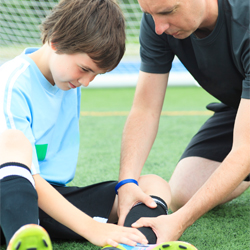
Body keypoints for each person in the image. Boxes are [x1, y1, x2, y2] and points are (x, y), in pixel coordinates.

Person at [0, 0, 181, 249]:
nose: (87, 82)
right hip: (8, 200)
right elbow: (27, 175)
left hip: (51, 202)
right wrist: (92, 228)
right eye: (85, 69)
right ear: (55, 41)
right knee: (13, 141)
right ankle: (24, 239)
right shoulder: (12, 83)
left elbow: (48, 186)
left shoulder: (67, 80)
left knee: (152, 185)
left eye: (95, 74)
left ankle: (140, 244)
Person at [116, 0, 250, 243]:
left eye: (168, 12)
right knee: (184, 190)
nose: (158, 27)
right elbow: (145, 109)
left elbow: (246, 147)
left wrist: (179, 222)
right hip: (240, 106)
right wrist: (127, 181)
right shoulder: (157, 24)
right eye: (150, 14)